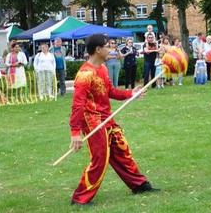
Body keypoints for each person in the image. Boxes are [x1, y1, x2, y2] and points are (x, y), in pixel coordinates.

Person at [67, 34, 158, 206]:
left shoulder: (103, 68)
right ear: (98, 50)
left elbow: (110, 92)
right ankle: (80, 198)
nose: (111, 49)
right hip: (92, 120)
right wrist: (75, 132)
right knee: (100, 157)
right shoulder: (85, 75)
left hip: (106, 118)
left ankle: (138, 185)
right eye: (107, 46)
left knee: (121, 149)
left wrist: (131, 93)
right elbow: (77, 105)